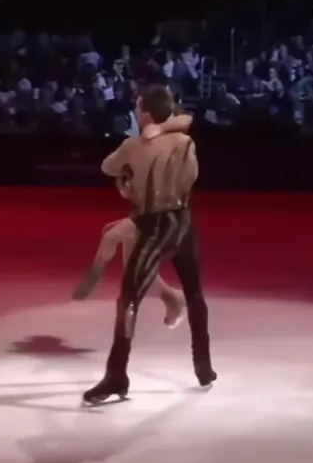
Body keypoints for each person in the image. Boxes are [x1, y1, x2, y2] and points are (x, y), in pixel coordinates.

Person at [81, 84, 215, 404]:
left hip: (154, 225)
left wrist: (132, 170)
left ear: (145, 113)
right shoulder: (185, 141)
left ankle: (117, 375)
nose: (136, 110)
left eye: (138, 106)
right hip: (183, 221)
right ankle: (204, 366)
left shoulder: (133, 145)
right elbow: (192, 175)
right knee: (195, 293)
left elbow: (107, 166)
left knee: (129, 300)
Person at [72, 111, 195, 331]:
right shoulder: (147, 145)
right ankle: (172, 298)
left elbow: (185, 119)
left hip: (162, 215)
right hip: (146, 212)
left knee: (112, 236)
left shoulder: (174, 143)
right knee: (124, 253)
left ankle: (95, 278)